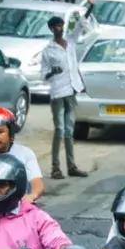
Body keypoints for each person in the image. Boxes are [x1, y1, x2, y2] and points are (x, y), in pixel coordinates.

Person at [42, 14, 89, 180]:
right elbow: (43, 74)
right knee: (60, 130)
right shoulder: (48, 50)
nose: (59, 29)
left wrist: (90, 6)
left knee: (69, 130)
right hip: (57, 93)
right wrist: (51, 72)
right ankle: (55, 167)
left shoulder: (70, 42)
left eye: (61, 26)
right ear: (51, 29)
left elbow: (80, 26)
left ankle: (71, 166)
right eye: (55, 27)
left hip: (71, 90)